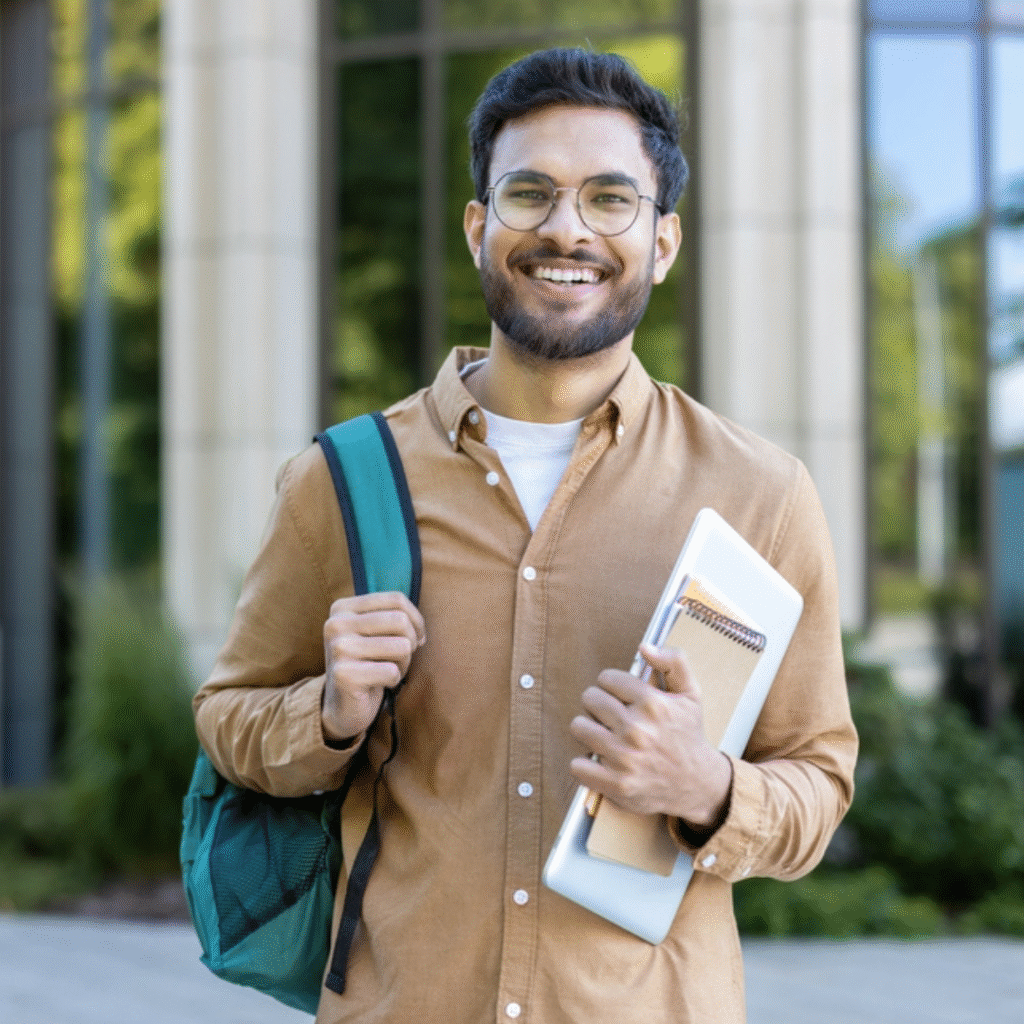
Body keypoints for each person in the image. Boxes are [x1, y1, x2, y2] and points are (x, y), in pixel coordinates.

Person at [194, 48, 857, 1024]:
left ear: (662, 242)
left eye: (608, 200)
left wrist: (707, 784)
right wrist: (328, 710)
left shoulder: (758, 495)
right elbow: (227, 719)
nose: (564, 227)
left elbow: (818, 777)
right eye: (530, 192)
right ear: (478, 226)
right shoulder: (340, 482)